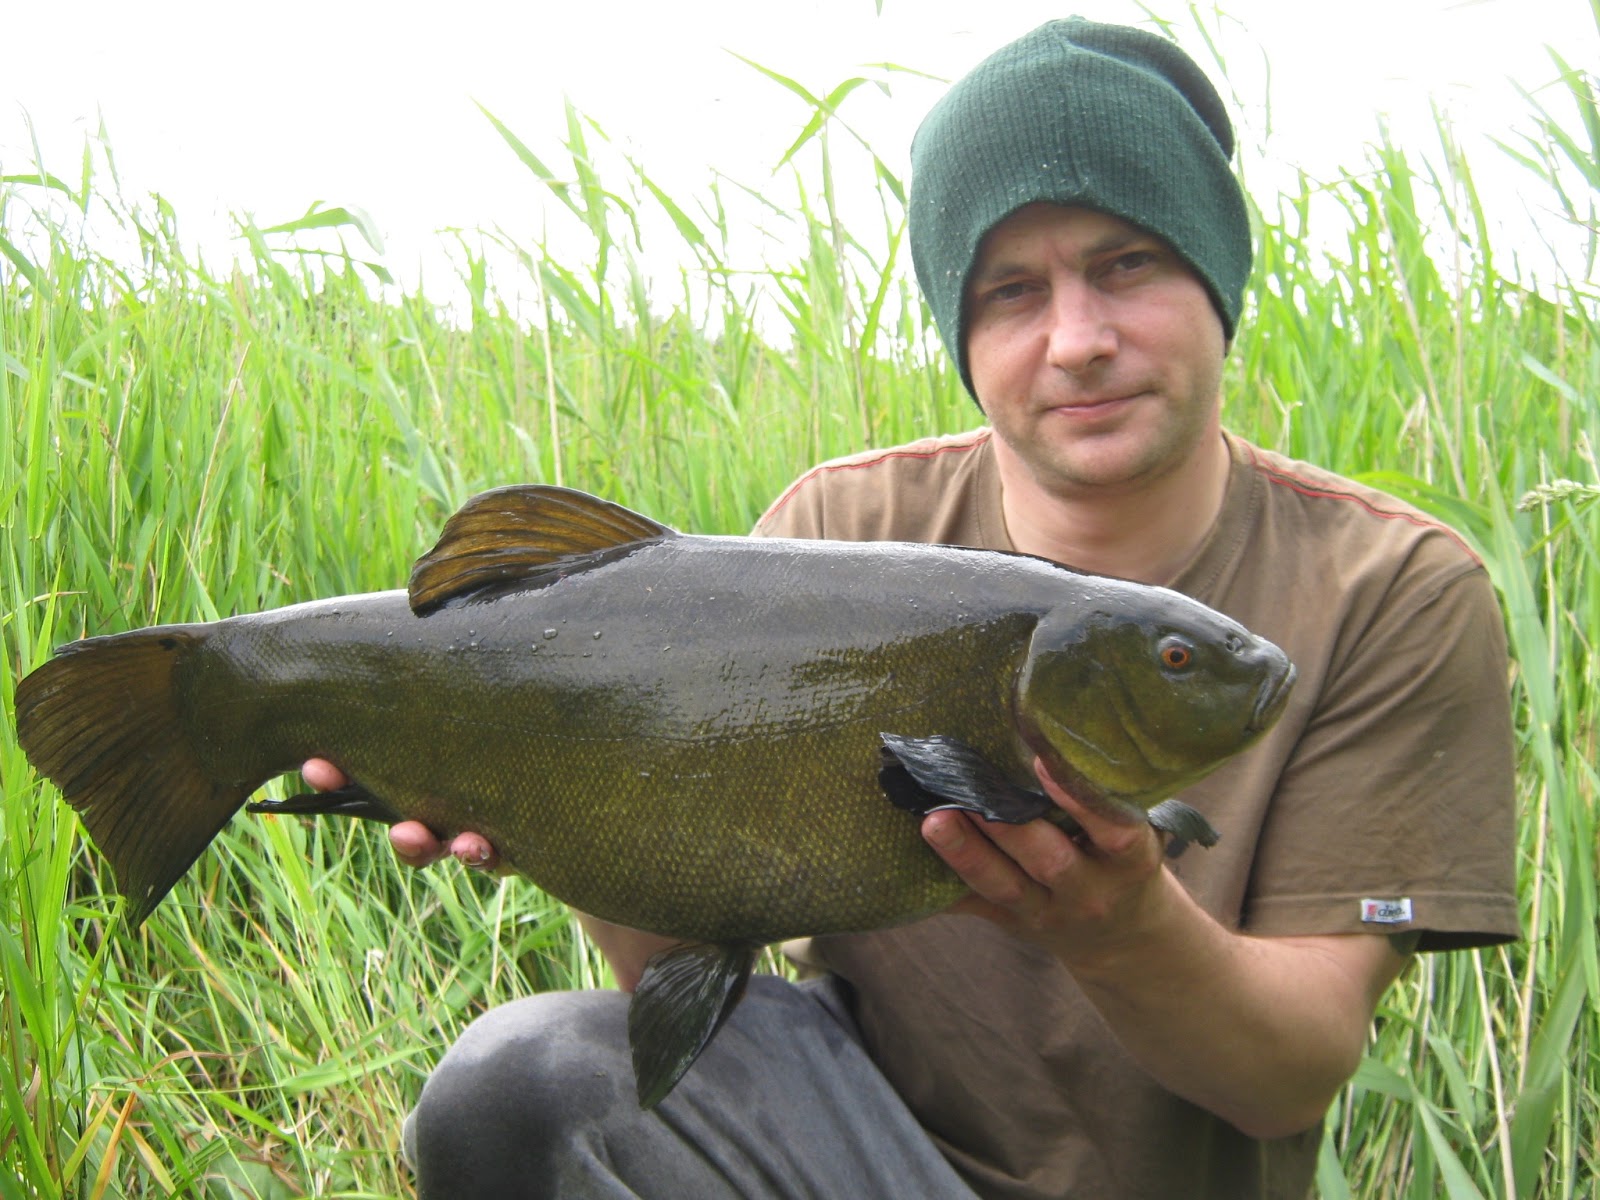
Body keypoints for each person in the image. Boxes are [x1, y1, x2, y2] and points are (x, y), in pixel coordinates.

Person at [305, 17, 1518, 1198]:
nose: (1077, 340)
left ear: (1217, 279)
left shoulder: (1387, 590)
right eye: (1009, 291)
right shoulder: (839, 535)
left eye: (1127, 266)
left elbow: (1287, 1078)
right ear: (961, 327)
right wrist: (552, 811)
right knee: (512, 1085)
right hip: (847, 1150)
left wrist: (1121, 927)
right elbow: (699, 947)